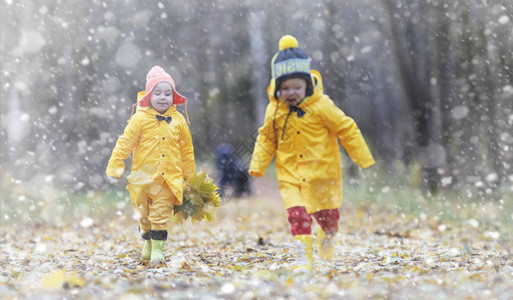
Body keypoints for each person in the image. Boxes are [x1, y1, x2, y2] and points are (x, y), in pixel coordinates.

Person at [248, 35, 375, 272]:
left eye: (297, 86)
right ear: (277, 88)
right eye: (285, 88)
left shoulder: (322, 106)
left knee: (327, 218)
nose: (291, 92)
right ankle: (303, 260)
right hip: (290, 175)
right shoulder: (274, 111)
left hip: (321, 174)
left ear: (307, 84)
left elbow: (346, 127)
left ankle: (328, 235)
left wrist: (362, 157)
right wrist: (258, 164)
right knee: (298, 216)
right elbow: (266, 137)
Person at [106, 66, 195, 265]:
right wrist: (115, 167)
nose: (163, 97)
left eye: (167, 93)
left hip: (167, 179)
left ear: (173, 97)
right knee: (144, 216)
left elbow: (186, 151)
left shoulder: (179, 121)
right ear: (149, 96)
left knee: (160, 214)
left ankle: (157, 250)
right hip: (142, 180)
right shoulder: (139, 119)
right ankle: (147, 240)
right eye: (157, 93)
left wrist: (189, 177)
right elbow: (125, 142)